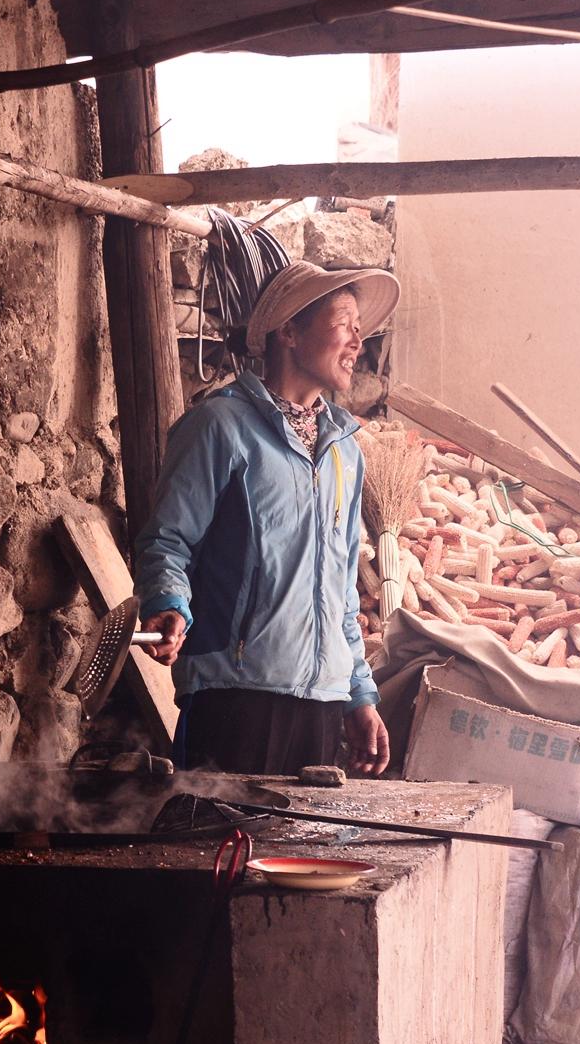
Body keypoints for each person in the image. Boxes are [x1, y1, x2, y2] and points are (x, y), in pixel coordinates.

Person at [132, 260, 400, 776]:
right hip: (234, 696)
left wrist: (358, 695)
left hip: (321, 703)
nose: (358, 344)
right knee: (217, 850)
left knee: (299, 855)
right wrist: (168, 601)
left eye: (361, 332)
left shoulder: (346, 451)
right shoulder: (221, 427)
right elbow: (168, 540)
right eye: (346, 324)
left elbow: (342, 591)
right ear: (290, 331)